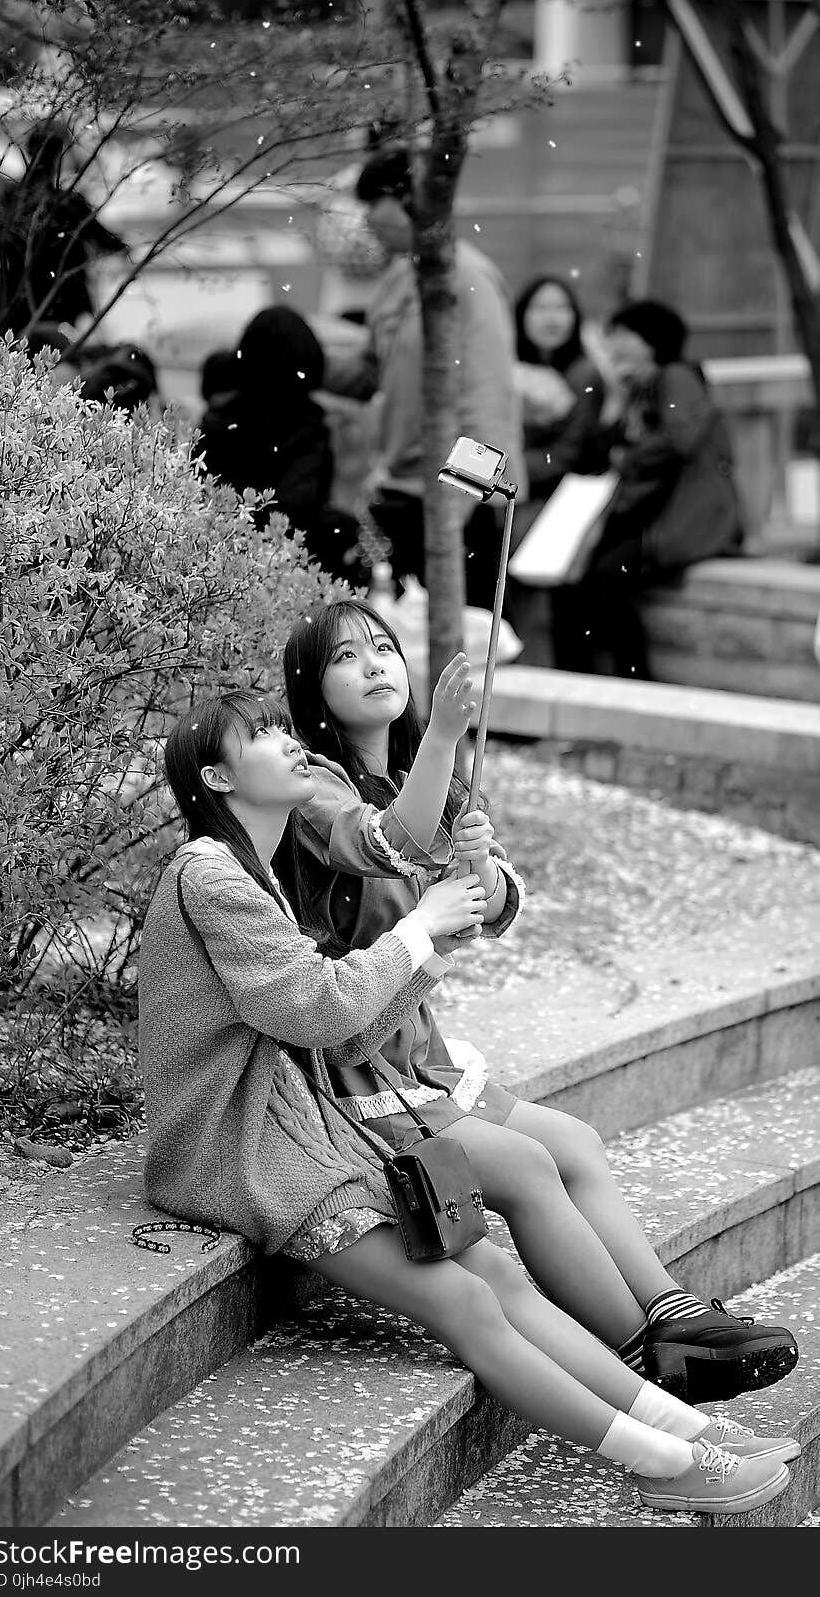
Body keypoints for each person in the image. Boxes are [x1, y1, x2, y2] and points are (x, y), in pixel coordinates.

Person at [137, 686, 798, 1516]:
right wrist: (416, 928)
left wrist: (434, 936)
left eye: (280, 723)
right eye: (262, 735)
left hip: (313, 1131)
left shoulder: (254, 870)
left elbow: (340, 1039)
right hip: (246, 1153)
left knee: (490, 1267)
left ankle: (685, 1430)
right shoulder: (210, 874)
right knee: (465, 1298)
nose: (288, 739)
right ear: (217, 777)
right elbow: (312, 1008)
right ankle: (661, 1461)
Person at [282, 596, 799, 1406]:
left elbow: (496, 909)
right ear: (312, 686)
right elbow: (386, 842)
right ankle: (637, 1351)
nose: (377, 663)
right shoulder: (312, 784)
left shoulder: (420, 767)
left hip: (420, 1051)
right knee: (525, 1166)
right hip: (350, 1066)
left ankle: (671, 1315)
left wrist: (482, 870)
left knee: (576, 1141)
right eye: (348, 657)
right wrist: (448, 741)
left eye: (384, 646)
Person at [321, 142, 527, 609]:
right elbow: (372, 371)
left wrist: (456, 503)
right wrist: (300, 361)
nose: (368, 218)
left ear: (410, 200)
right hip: (398, 494)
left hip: (456, 500)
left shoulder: (469, 280)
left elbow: (487, 400)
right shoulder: (398, 279)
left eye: (375, 203)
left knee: (457, 661)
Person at [549, 298, 744, 679]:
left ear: (651, 340)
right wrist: (617, 400)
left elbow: (679, 439)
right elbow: (598, 451)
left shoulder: (677, 376)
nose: (614, 342)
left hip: (677, 518)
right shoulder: (635, 388)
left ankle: (633, 682)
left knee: (607, 577)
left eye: (624, 333)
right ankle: (575, 682)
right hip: (639, 514)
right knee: (572, 580)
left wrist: (626, 458)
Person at [195, 304, 367, 584]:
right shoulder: (305, 425)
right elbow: (299, 506)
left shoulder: (219, 421)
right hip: (288, 569)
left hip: (216, 565)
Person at [0, 121, 128, 339]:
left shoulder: (10, 199)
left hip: (15, 300)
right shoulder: (67, 203)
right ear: (59, 155)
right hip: (59, 302)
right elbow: (106, 242)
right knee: (53, 362)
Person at [513, 273, 606, 510]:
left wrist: (504, 467)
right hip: (508, 492)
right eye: (541, 307)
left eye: (562, 308)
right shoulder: (509, 368)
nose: (552, 318)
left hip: (558, 500)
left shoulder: (584, 375)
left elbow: (569, 454)